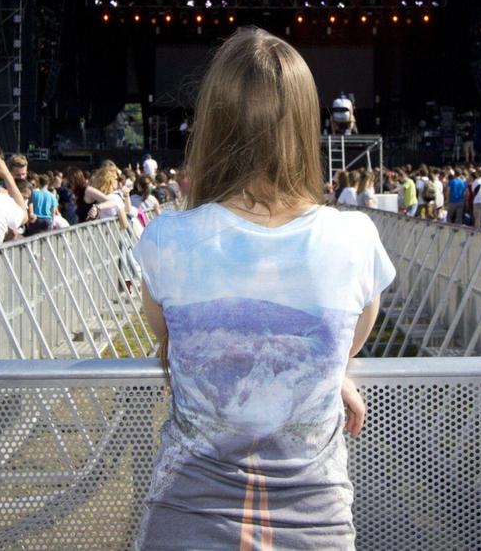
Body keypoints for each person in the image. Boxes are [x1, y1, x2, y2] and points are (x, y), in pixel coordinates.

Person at [132, 28, 395, 549]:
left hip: (186, 516)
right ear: (304, 122)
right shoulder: (354, 238)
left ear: (213, 123)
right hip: (315, 524)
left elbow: (171, 340)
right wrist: (326, 376)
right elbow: (347, 343)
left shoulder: (167, 238)